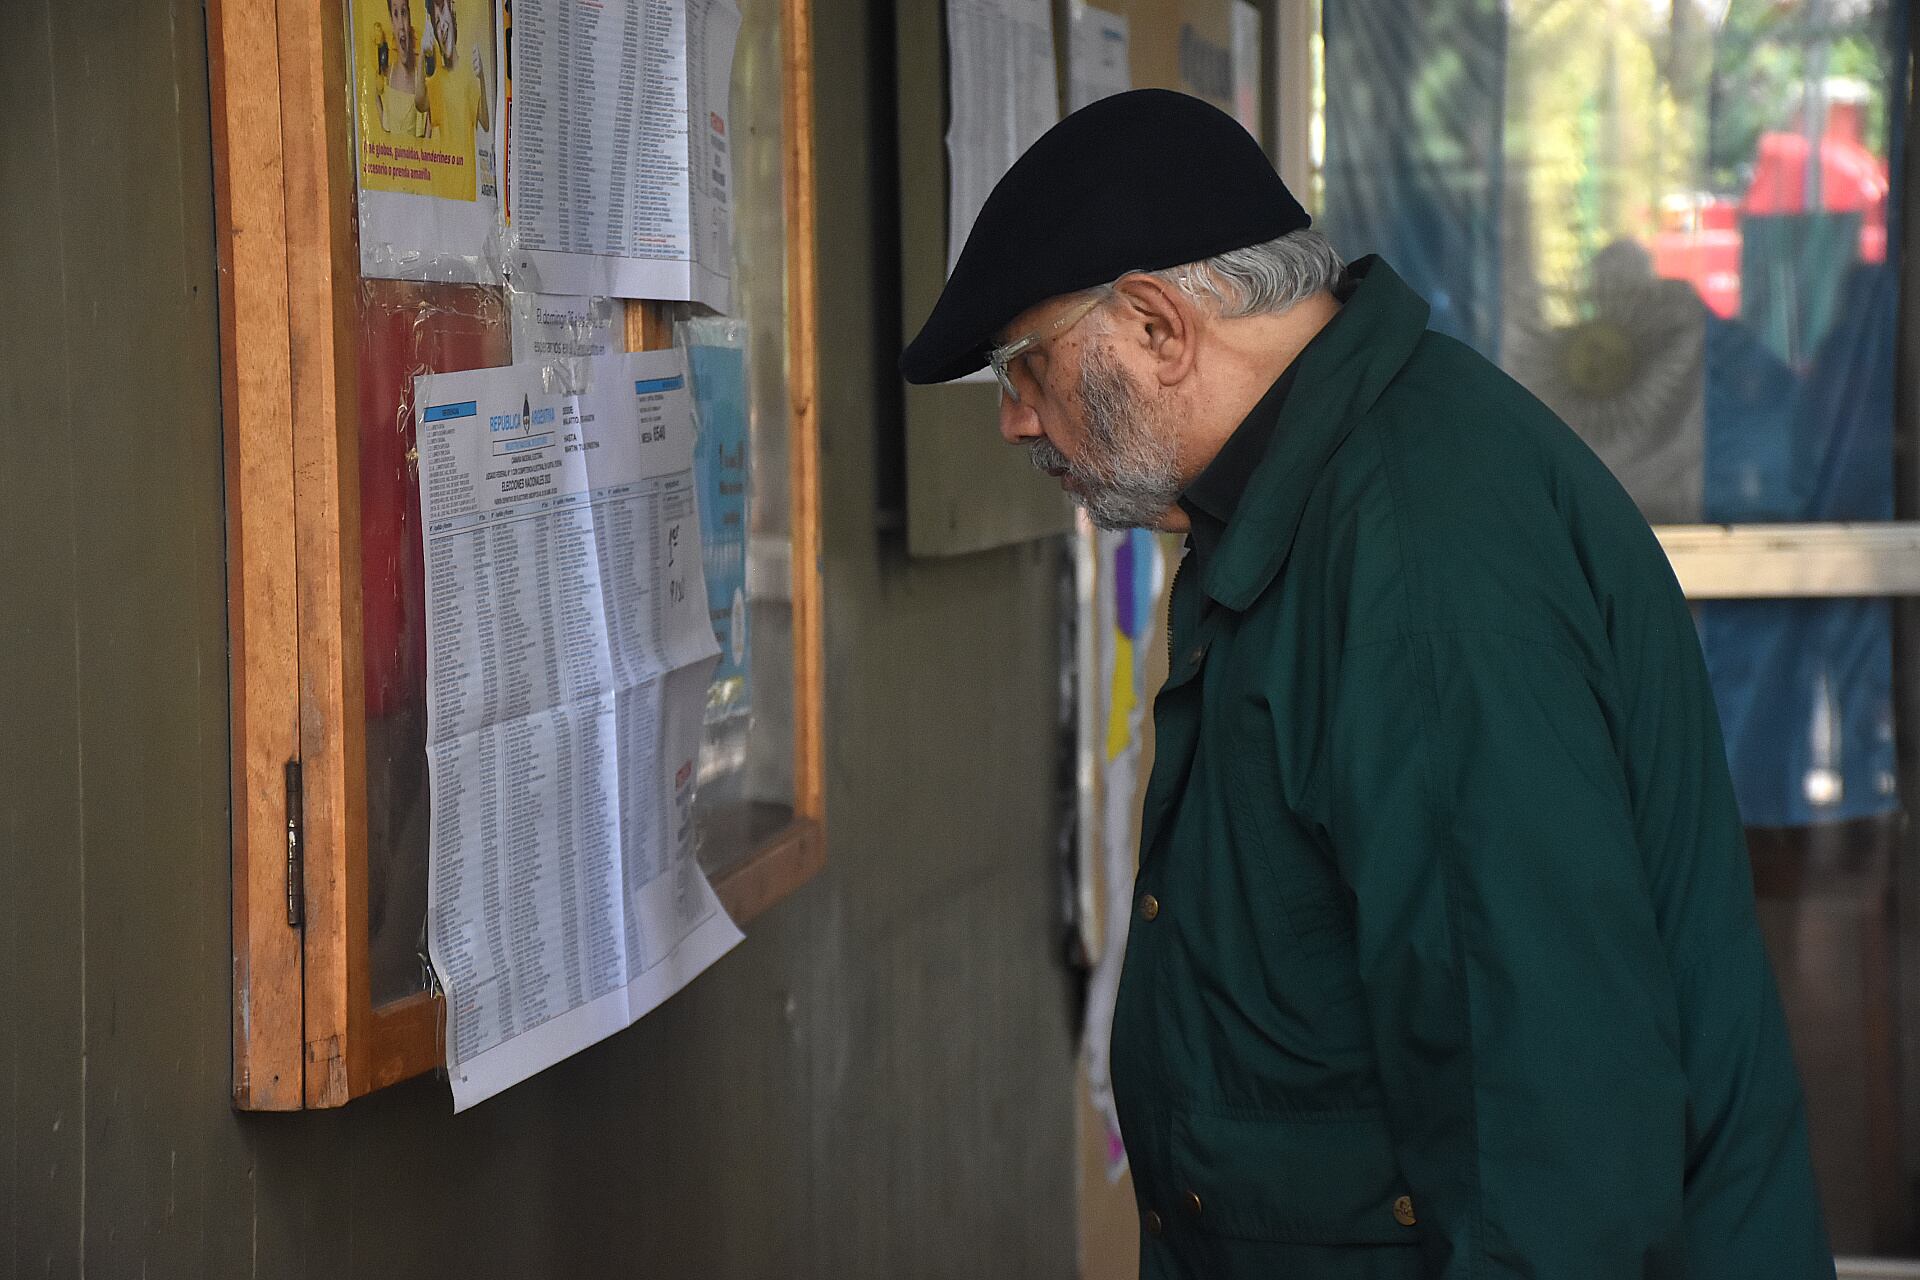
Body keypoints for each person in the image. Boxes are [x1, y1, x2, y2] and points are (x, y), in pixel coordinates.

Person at [901, 89, 1830, 1279]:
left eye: (1024, 364)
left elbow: (1540, 1134)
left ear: (1156, 326)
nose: (1015, 420)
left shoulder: (1413, 552)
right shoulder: (1318, 489)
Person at [423, 0, 495, 202]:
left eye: (443, 13)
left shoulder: (470, 71)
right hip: (443, 191)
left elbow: (485, 122)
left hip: (467, 194)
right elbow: (422, 105)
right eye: (436, 23)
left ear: (452, 12)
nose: (442, 26)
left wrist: (481, 79)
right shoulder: (436, 79)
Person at [375, 0, 430, 139]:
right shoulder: (388, 75)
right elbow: (386, 127)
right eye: (396, 14)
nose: (401, 25)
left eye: (404, 13)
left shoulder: (421, 80)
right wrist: (374, 94)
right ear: (391, 21)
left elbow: (426, 138)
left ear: (410, 17)